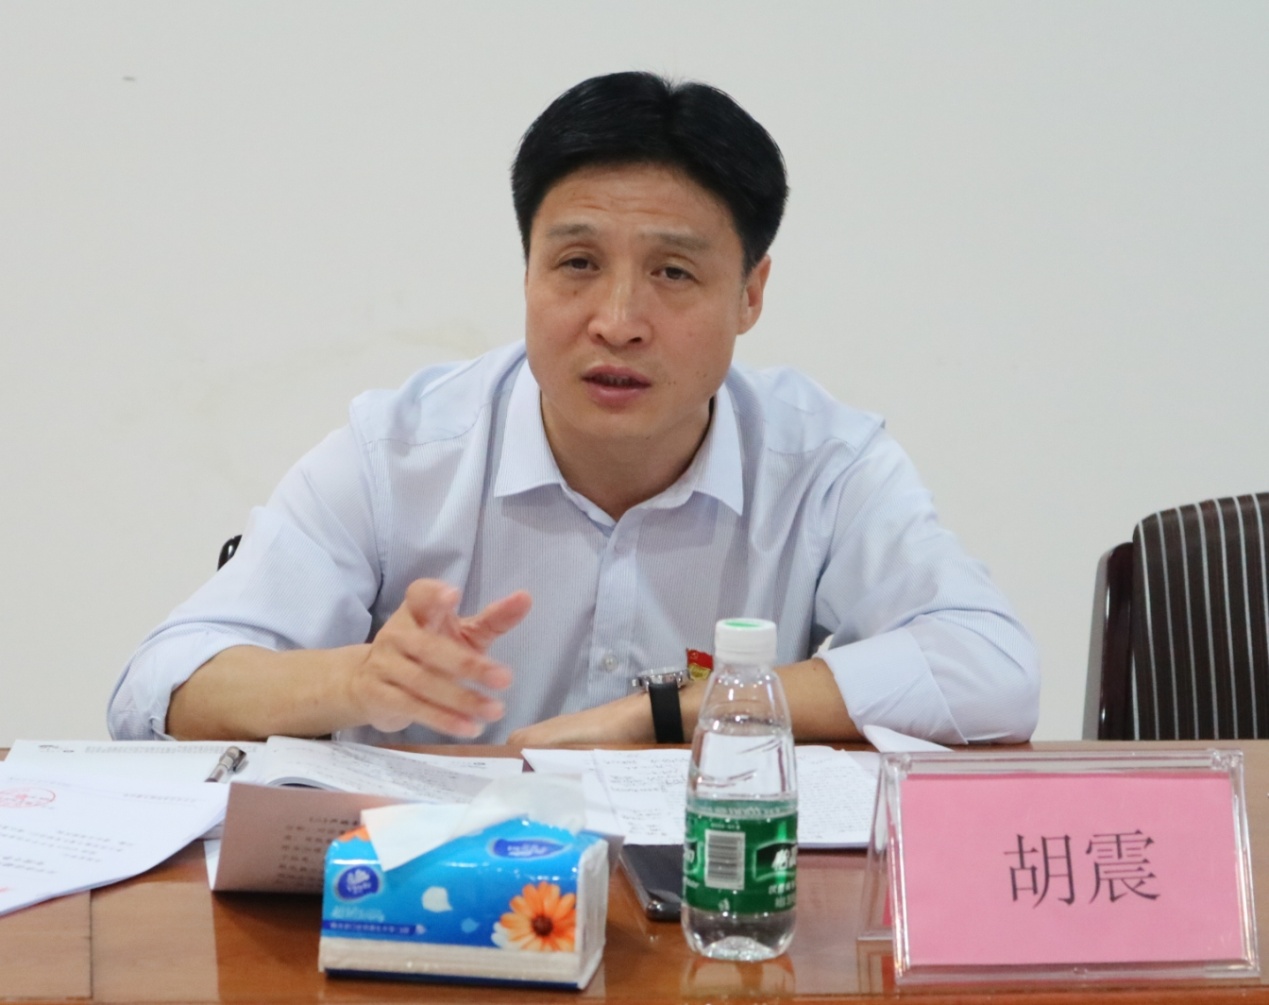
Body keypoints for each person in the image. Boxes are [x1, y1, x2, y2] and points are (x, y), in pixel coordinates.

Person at [108, 71, 1039, 748]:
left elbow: (989, 667)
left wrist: (664, 713)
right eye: (578, 264)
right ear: (527, 272)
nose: (618, 320)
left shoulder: (823, 464)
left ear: (750, 294)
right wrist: (352, 678)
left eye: (672, 272)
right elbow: (158, 686)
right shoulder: (400, 452)